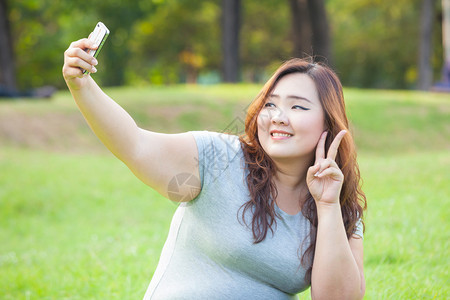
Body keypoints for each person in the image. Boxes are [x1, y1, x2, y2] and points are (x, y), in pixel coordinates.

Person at [63, 38, 367, 300]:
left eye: (297, 107)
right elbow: (135, 145)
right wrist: (81, 84)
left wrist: (327, 205)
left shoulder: (340, 206)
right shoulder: (219, 158)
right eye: (270, 104)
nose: (278, 117)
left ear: (329, 123)